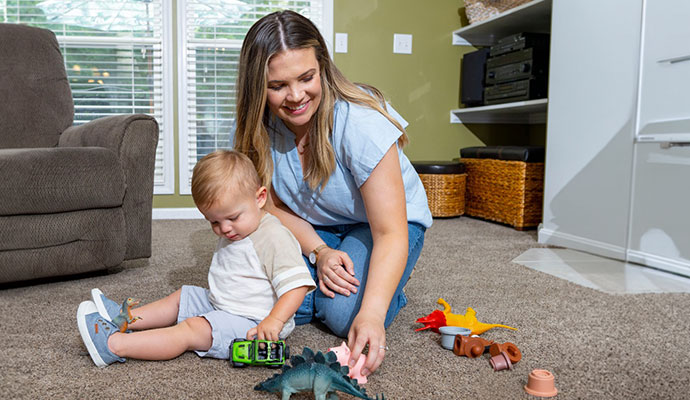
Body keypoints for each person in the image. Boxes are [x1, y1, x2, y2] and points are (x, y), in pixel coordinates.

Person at [231, 10, 432, 377]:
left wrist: (372, 314)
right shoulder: (257, 128)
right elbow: (269, 206)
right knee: (248, 286)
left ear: (322, 66)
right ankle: (339, 281)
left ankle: (389, 292)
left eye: (306, 78)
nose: (295, 97)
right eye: (277, 86)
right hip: (316, 227)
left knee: (345, 315)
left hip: (381, 227)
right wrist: (319, 251)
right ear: (257, 87)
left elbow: (390, 231)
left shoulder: (360, 122)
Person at [76, 150, 316, 367]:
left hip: (254, 323)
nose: (225, 229)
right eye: (214, 222)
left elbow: (297, 286)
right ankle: (122, 319)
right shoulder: (240, 227)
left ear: (260, 198)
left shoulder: (273, 236)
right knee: (182, 297)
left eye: (232, 217)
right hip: (224, 303)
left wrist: (274, 321)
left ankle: (113, 346)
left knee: (190, 330)